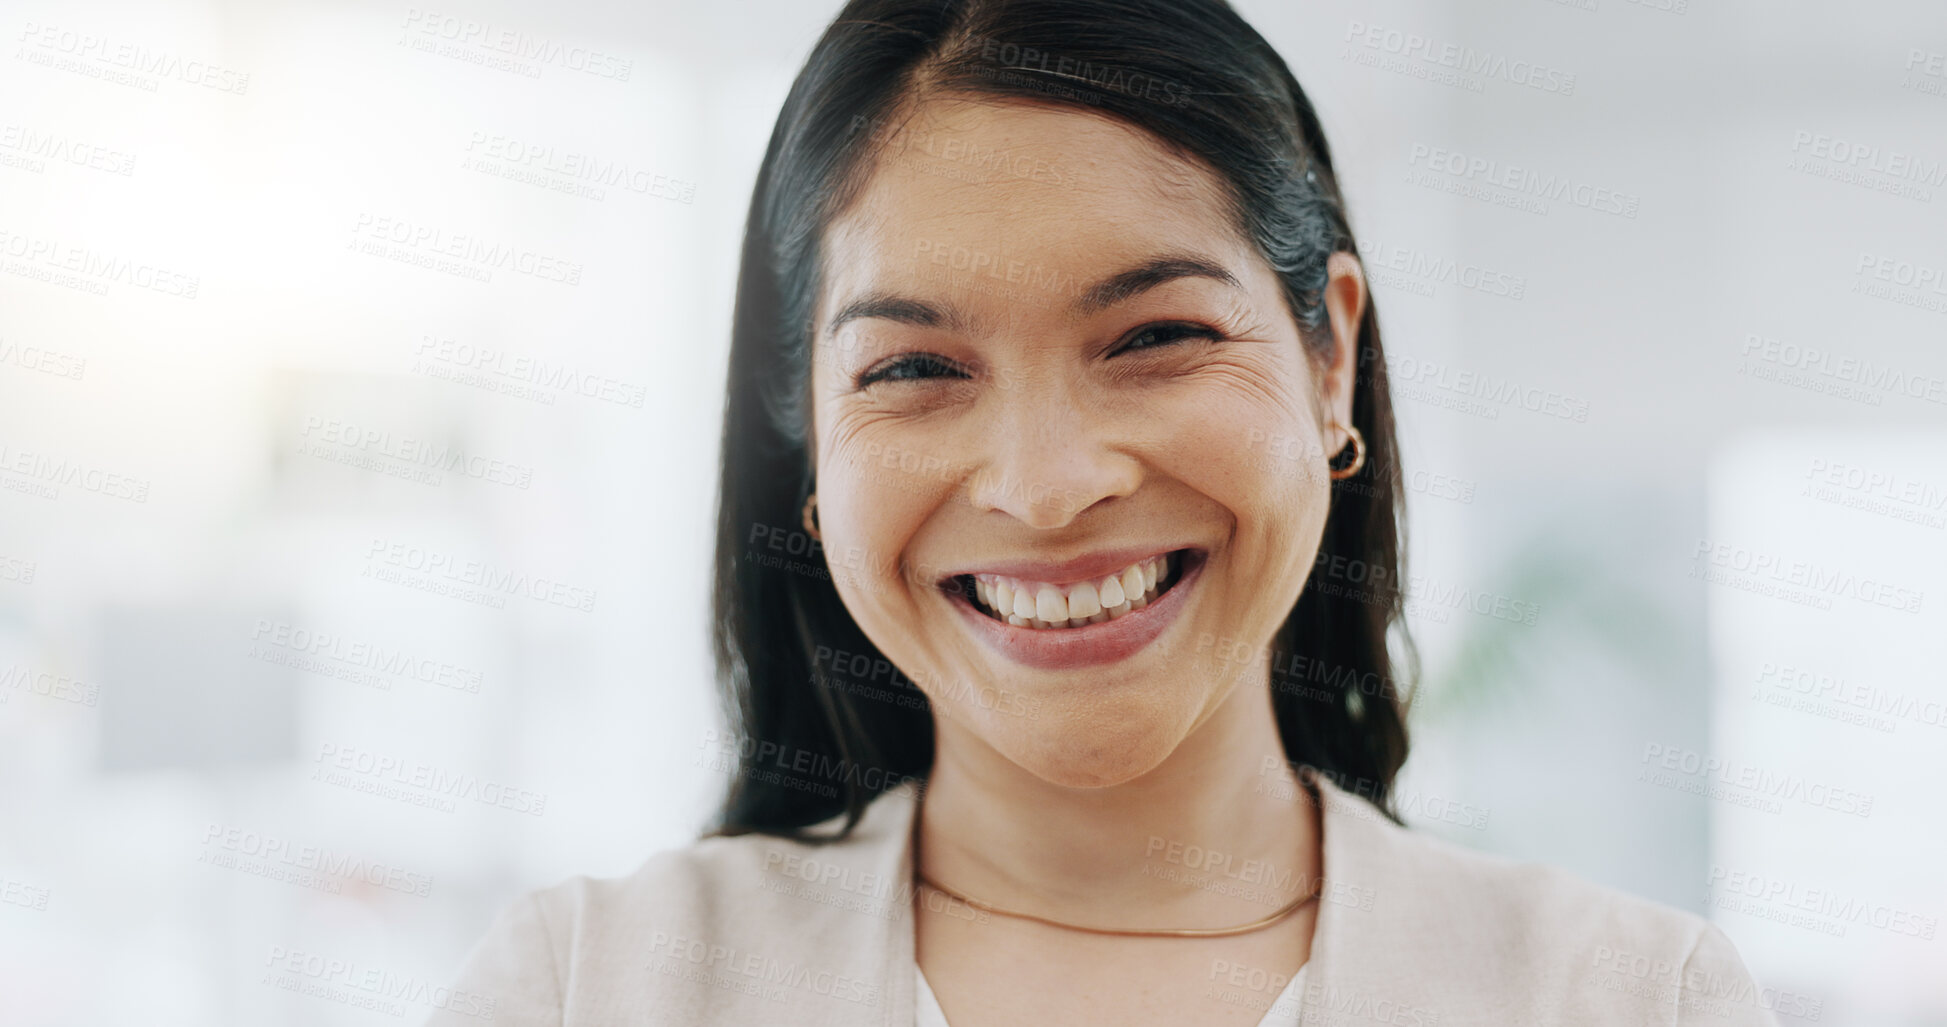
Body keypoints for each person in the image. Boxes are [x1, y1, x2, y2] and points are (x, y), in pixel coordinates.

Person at [426, 1, 1774, 1023]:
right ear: (814, 453)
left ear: (1326, 360)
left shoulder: (1630, 1000)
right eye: (911, 370)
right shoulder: (586, 990)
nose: (1048, 484)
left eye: (1156, 337)